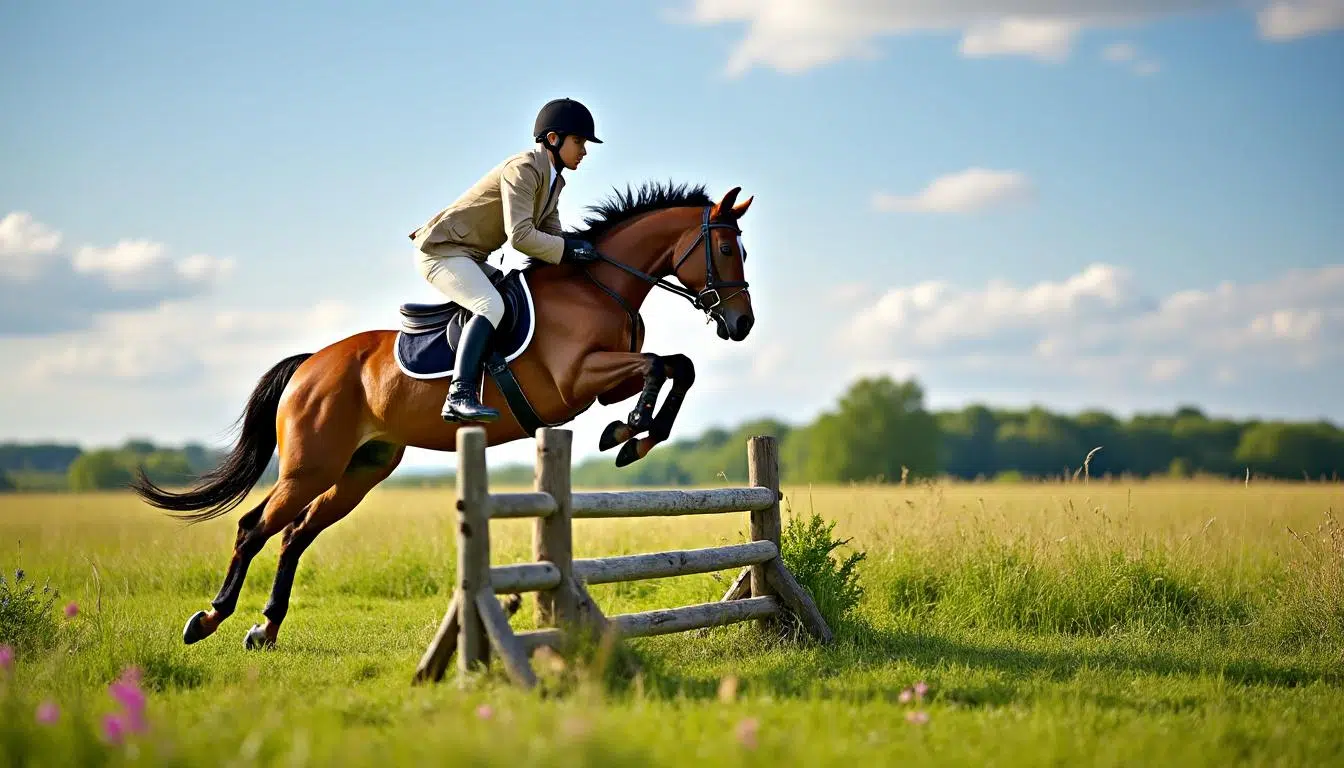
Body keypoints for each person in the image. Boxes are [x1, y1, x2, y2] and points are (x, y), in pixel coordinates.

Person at [408, 98, 603, 423]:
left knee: (513, 296)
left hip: (468, 256)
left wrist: (589, 251)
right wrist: (569, 250)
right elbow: (522, 237)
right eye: (579, 141)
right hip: (440, 252)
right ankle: (459, 394)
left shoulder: (553, 181)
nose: (584, 151)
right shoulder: (523, 169)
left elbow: (552, 236)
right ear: (553, 139)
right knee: (490, 305)